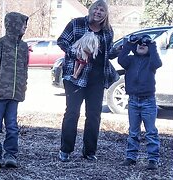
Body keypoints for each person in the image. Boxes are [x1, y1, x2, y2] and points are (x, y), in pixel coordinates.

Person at [56, 0, 119, 162]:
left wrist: (119, 50)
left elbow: (108, 52)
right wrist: (76, 52)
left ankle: (89, 151)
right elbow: (62, 41)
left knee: (94, 115)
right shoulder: (76, 24)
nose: (98, 12)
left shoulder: (107, 31)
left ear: (106, 14)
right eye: (96, 9)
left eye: (102, 10)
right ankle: (66, 150)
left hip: (97, 78)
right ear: (91, 10)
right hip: (75, 77)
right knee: (72, 113)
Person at [0, 12, 29, 168]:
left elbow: (25, 69)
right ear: (13, 25)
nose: (25, 26)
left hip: (15, 95)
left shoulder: (24, 46)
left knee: (12, 127)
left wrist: (22, 87)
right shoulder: (1, 43)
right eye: (22, 23)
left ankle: (10, 154)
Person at [117, 34, 162, 170]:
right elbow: (121, 60)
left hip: (148, 101)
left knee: (151, 131)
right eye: (139, 44)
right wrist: (130, 43)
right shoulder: (130, 60)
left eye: (145, 44)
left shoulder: (151, 62)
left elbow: (157, 63)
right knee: (133, 131)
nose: (142, 45)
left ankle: (153, 159)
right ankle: (131, 157)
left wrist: (152, 45)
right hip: (133, 101)